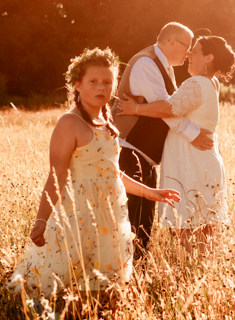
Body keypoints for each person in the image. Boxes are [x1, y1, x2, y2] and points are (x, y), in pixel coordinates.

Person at [9, 48, 180, 304]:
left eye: (108, 82)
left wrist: (150, 192)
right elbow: (56, 176)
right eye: (93, 82)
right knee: (63, 285)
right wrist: (42, 220)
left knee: (107, 286)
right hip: (79, 214)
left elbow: (111, 172)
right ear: (77, 85)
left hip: (110, 216)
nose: (101, 88)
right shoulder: (69, 123)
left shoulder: (106, 119)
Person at [118, 35, 235, 253]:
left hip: (191, 159)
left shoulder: (195, 83)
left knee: (184, 223)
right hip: (205, 157)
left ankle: (197, 268)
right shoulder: (212, 82)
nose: (189, 55)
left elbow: (167, 109)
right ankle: (206, 269)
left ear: (209, 58)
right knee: (203, 224)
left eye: (195, 51)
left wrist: (135, 109)